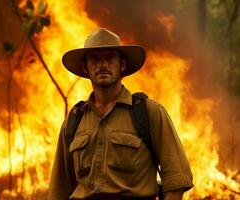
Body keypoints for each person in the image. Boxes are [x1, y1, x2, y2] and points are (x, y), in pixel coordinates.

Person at [47, 28, 194, 200]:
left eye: (110, 57)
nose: (102, 65)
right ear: (85, 68)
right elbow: (59, 190)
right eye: (95, 59)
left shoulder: (149, 113)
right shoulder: (74, 121)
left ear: (122, 65)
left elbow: (177, 179)